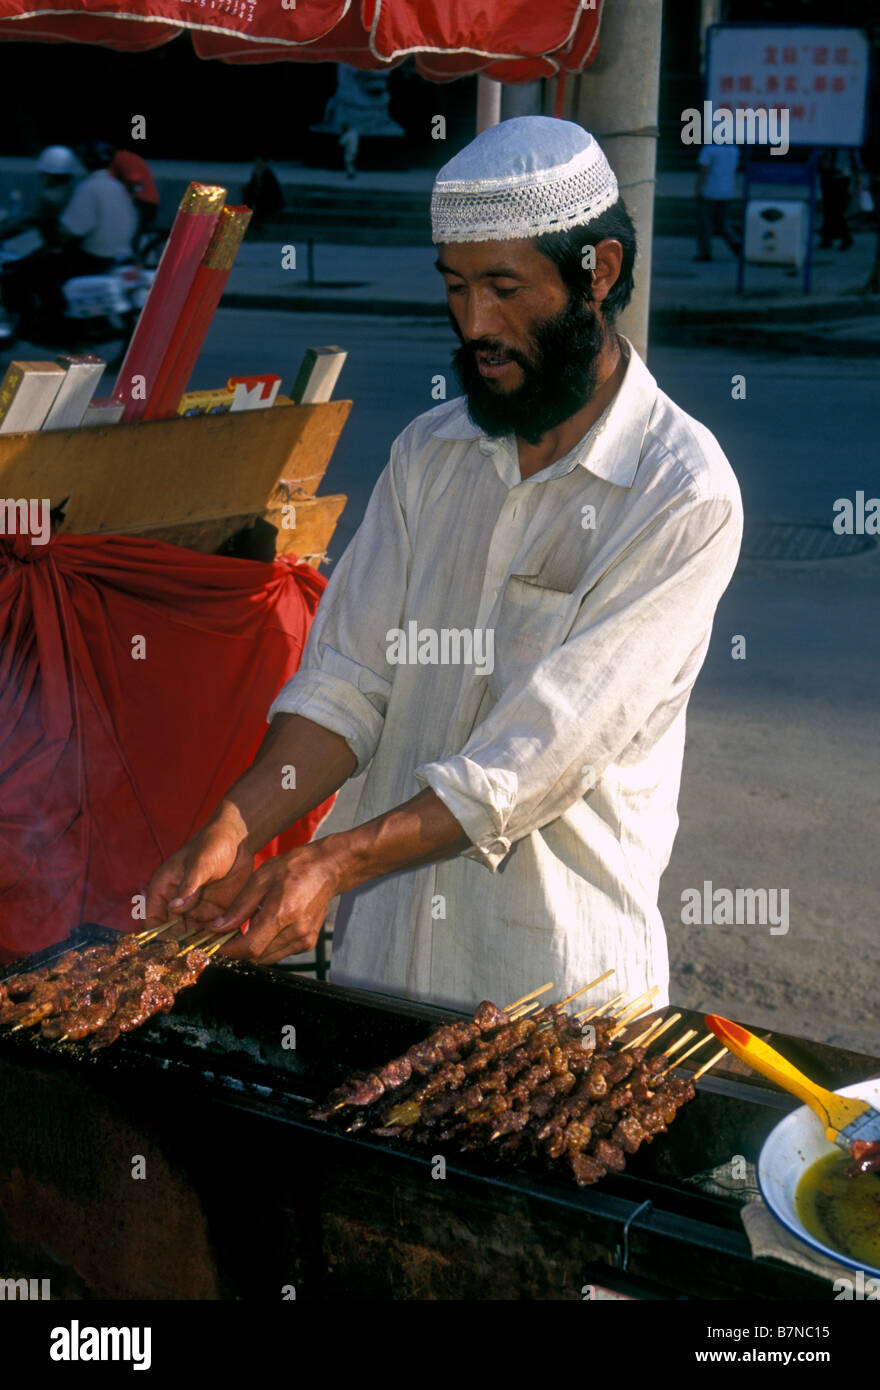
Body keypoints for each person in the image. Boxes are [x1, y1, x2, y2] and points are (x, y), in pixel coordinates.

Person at [144, 116, 742, 1015]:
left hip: (556, 993)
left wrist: (332, 862)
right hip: (383, 979)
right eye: (457, 289)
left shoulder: (681, 494)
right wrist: (237, 827)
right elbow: (348, 685)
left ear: (599, 272)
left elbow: (535, 756)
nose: (477, 325)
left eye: (505, 288)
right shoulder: (430, 453)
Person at [695, 126, 741, 261]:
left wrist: (697, 188)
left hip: (709, 191)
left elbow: (703, 171)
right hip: (727, 192)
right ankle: (736, 244)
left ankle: (705, 253)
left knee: (705, 224)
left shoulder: (709, 150)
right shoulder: (734, 150)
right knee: (723, 224)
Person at [109, 146, 160, 241]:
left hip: (142, 202)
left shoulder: (121, 158)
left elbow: (136, 183)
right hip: (148, 201)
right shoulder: (125, 156)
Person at [818, 147, 861, 251]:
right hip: (827, 175)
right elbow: (820, 157)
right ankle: (828, 237)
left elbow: (855, 160)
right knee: (828, 207)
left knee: (837, 209)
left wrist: (858, 181)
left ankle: (844, 236)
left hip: (842, 176)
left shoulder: (848, 142)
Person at [242, 156, 284, 225]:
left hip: (270, 200)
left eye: (259, 161)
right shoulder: (256, 173)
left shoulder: (268, 173)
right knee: (248, 195)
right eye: (257, 162)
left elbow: (270, 190)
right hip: (261, 199)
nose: (258, 163)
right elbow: (252, 186)